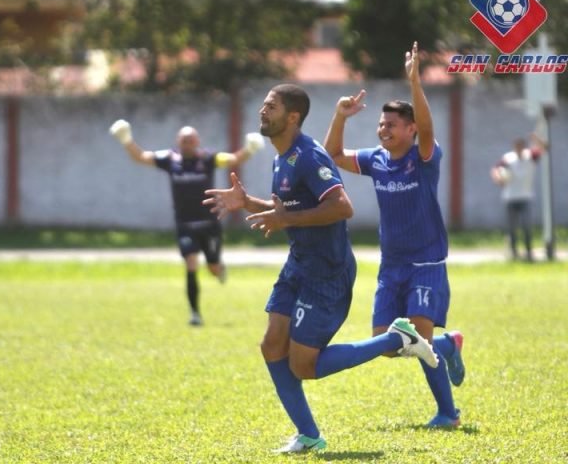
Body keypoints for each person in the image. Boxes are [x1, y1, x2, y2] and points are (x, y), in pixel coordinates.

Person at [203, 83, 438, 453]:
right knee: (270, 344)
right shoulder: (282, 157)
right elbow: (287, 211)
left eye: (271, 107)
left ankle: (397, 339)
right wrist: (247, 201)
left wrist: (285, 219)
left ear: (292, 117)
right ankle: (309, 435)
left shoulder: (309, 156)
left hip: (327, 271)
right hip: (299, 263)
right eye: (264, 105)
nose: (263, 112)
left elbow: (342, 207)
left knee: (304, 365)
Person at [323, 42, 466, 428]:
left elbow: (430, 126)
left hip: (426, 263)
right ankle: (447, 345)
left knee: (417, 337)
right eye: (381, 124)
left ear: (411, 130)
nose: (383, 129)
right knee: (386, 344)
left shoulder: (423, 158)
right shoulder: (377, 159)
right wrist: (340, 116)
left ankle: (447, 413)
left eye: (391, 125)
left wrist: (415, 82)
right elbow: (332, 155)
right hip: (392, 265)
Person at [109, 120, 264, 326]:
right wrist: (126, 139)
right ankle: (195, 314)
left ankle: (219, 268)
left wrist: (250, 148)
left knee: (213, 268)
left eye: (191, 140)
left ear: (197, 142)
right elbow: (141, 157)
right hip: (185, 225)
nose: (187, 144)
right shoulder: (169, 159)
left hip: (210, 224)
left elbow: (234, 158)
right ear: (178, 142)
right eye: (184, 140)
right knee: (191, 264)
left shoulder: (209, 158)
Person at [490, 133, 547, 261]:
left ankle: (528, 253)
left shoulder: (530, 156)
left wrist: (537, 139)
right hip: (510, 197)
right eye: (516, 146)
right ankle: (514, 253)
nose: (518, 149)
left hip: (525, 197)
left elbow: (545, 148)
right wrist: (498, 177)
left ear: (524, 146)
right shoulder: (509, 158)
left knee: (527, 226)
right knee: (512, 228)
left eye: (520, 146)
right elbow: (496, 169)